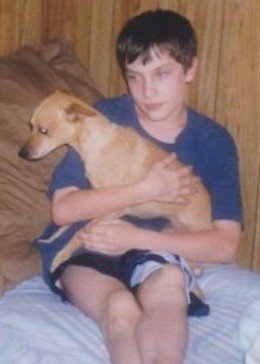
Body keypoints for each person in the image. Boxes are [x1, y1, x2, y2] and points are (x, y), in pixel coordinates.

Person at [36, 9, 242, 364]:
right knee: (119, 307)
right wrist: (144, 190)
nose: (148, 91)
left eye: (162, 74)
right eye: (135, 77)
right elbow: (63, 209)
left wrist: (138, 238)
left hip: (159, 248)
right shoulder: (99, 119)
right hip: (89, 244)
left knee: (168, 293)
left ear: (190, 68)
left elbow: (225, 245)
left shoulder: (214, 141)